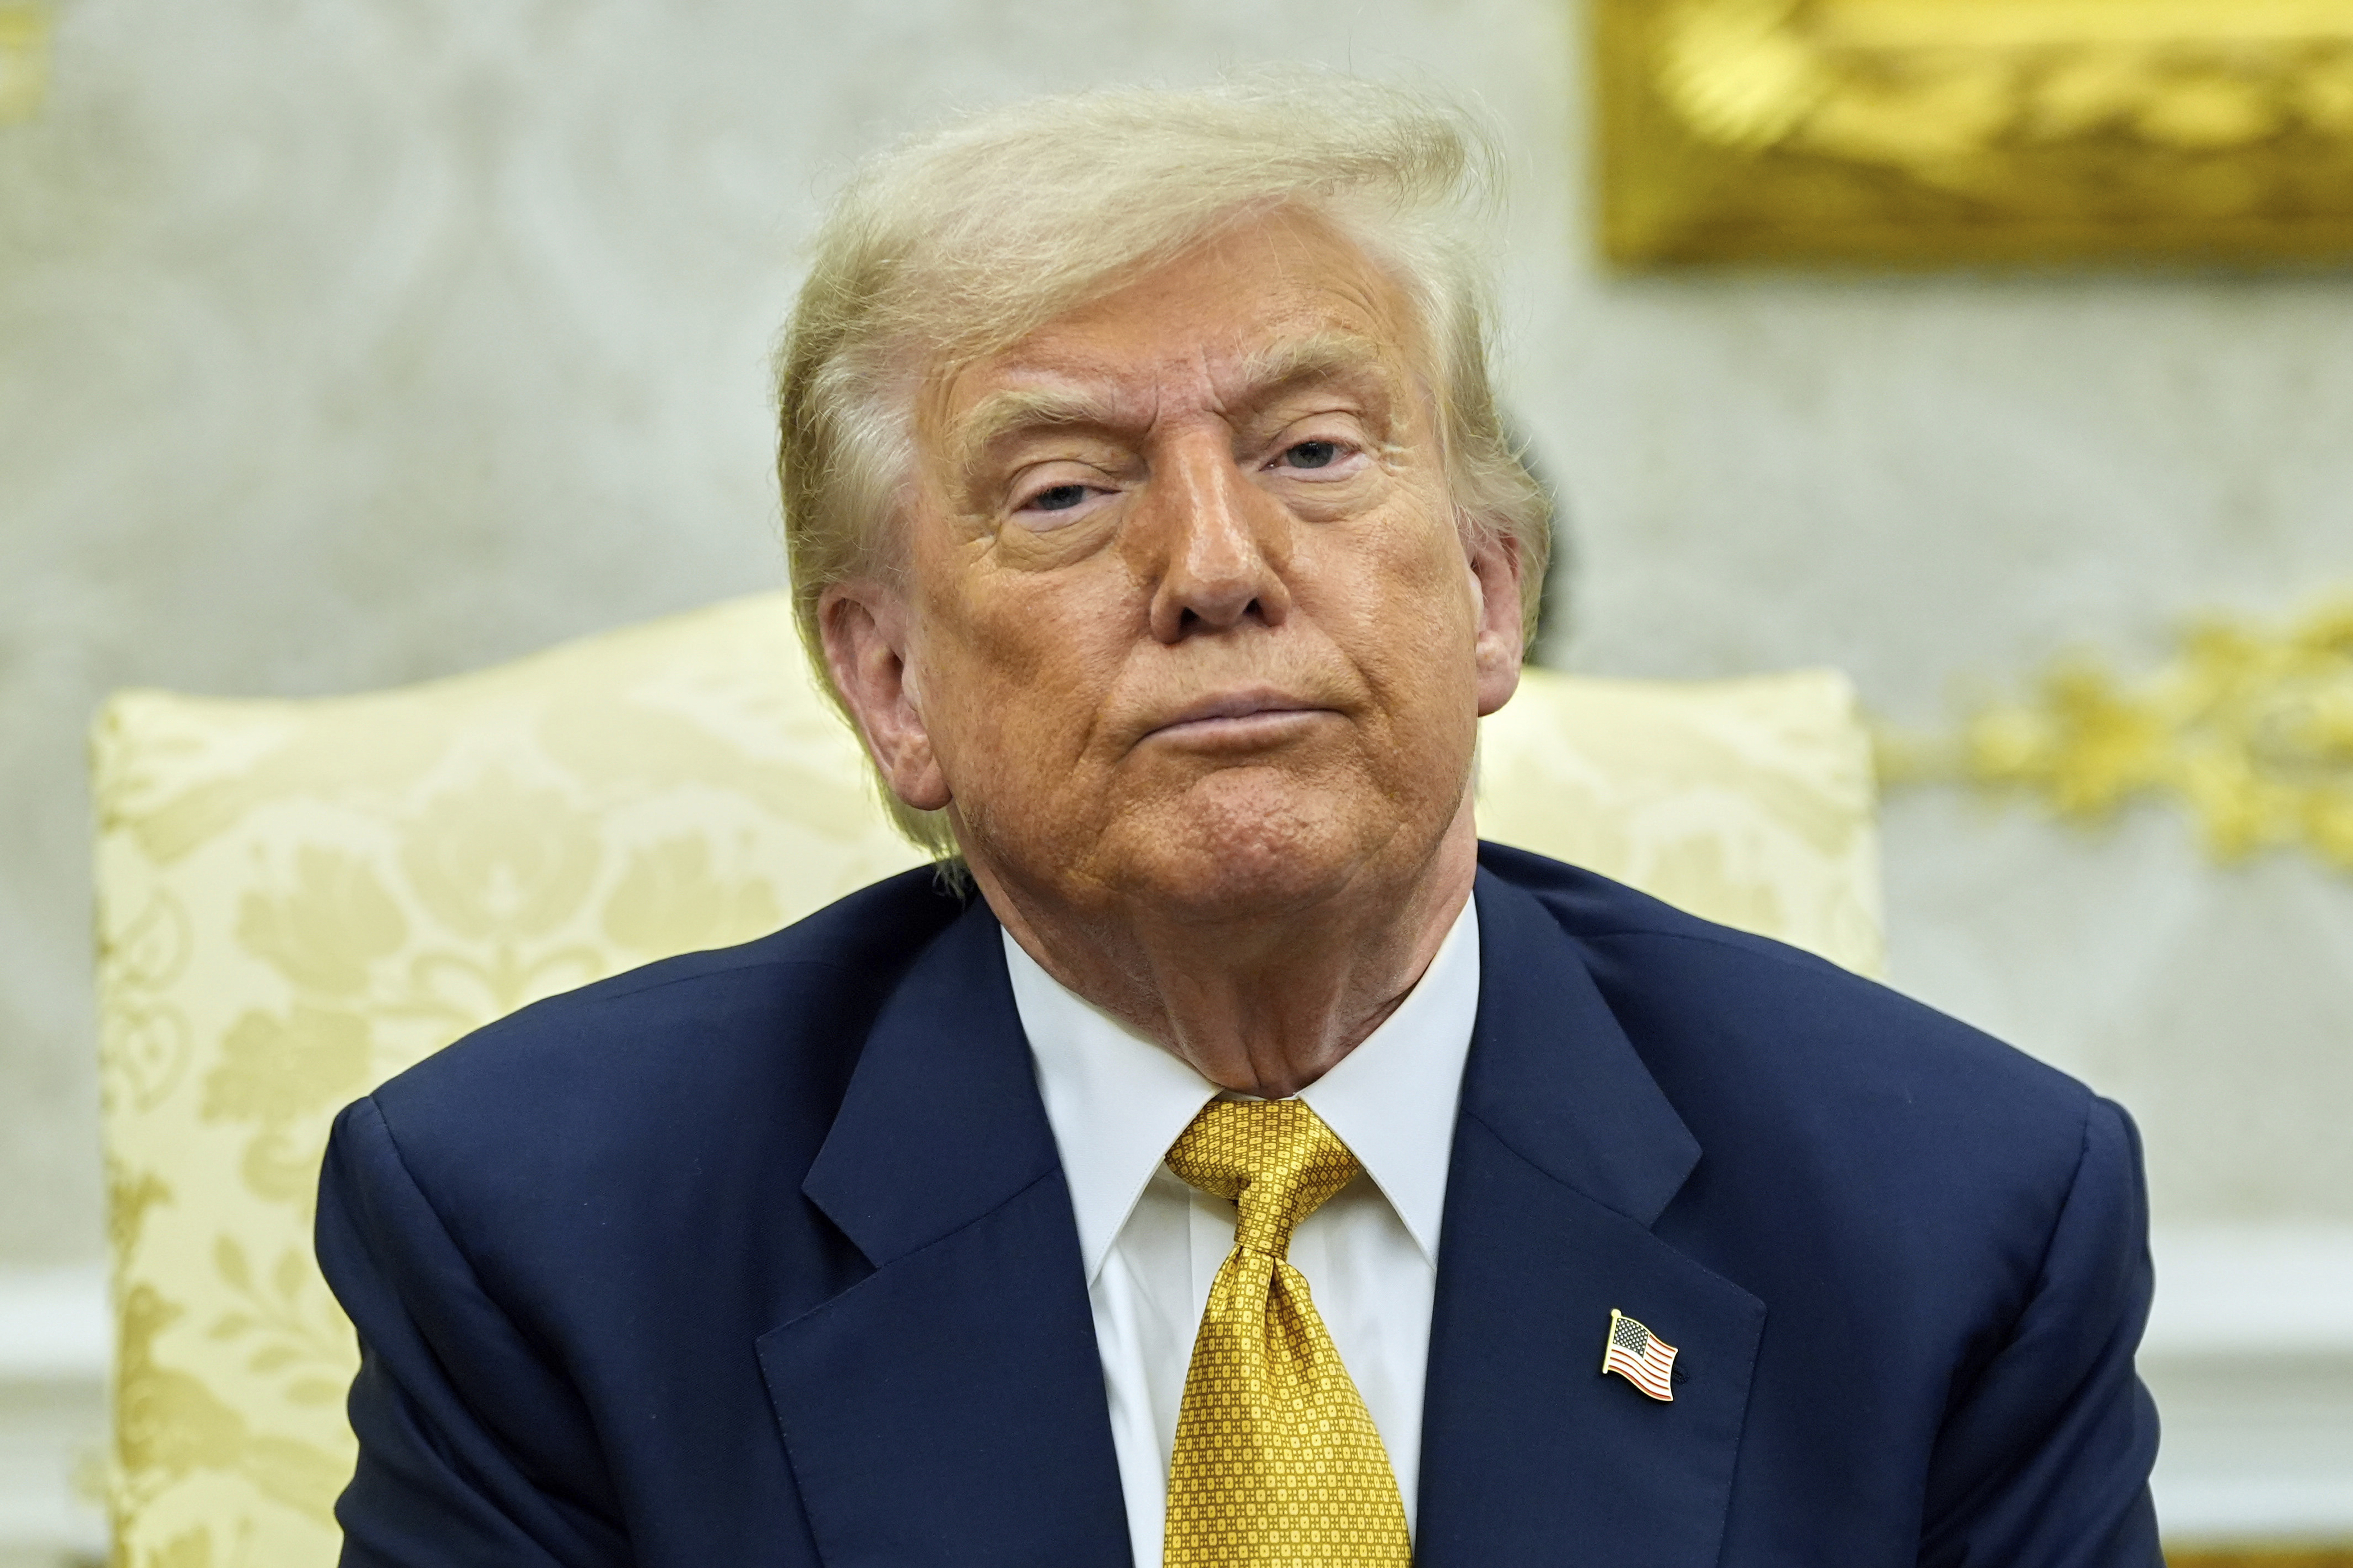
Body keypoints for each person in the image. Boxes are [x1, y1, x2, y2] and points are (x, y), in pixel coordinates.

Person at [315, 79, 2162, 1567]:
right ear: (891, 687)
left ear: (1492, 590)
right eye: (1064, 490)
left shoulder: (1957, 1221)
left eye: (1313, 453)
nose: (1214, 568)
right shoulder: (551, 1242)